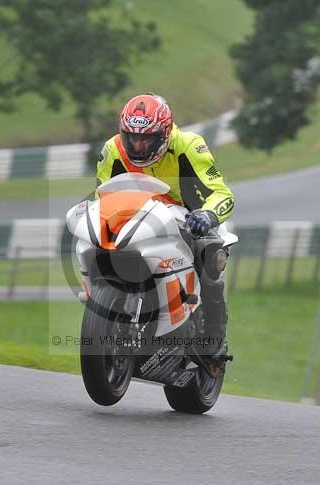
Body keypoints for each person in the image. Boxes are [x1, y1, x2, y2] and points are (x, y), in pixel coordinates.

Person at [96, 93, 235, 357]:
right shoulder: (112, 149)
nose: (138, 145)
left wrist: (206, 216)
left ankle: (215, 333)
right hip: (136, 216)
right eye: (132, 137)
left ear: (165, 132)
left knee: (210, 252)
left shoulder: (190, 145)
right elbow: (101, 196)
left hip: (189, 216)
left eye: (147, 138)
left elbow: (222, 193)